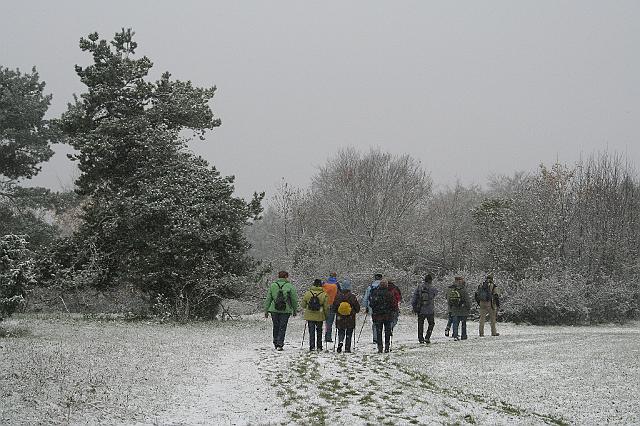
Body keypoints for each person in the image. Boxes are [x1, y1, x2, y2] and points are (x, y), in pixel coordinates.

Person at [264, 271, 298, 351]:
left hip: (274, 309)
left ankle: (275, 342)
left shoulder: (273, 285)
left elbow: (268, 299)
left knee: (276, 326)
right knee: (282, 327)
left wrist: (266, 310)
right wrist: (294, 310)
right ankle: (280, 343)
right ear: (286, 276)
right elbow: (294, 299)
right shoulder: (290, 286)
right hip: (286, 310)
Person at [332, 277, 361, 353]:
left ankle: (340, 342)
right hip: (350, 318)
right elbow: (357, 308)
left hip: (340, 318)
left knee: (341, 331)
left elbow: (334, 308)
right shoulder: (352, 296)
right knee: (349, 332)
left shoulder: (338, 296)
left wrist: (337, 312)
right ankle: (347, 348)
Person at [302, 278, 330, 351]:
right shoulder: (324, 294)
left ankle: (312, 346)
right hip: (319, 315)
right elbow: (326, 307)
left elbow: (303, 305)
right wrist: (326, 315)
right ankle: (319, 346)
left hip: (309, 315)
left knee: (311, 331)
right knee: (319, 331)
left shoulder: (308, 293)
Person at [370, 279, 395, 353]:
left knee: (379, 331)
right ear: (386, 285)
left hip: (378, 315)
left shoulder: (375, 293)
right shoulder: (389, 294)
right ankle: (387, 346)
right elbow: (393, 305)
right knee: (387, 331)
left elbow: (371, 304)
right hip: (387, 315)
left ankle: (380, 346)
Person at [411, 274, 438, 344]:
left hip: (421, 309)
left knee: (420, 324)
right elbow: (436, 293)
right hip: (430, 309)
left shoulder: (419, 287)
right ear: (430, 280)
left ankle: (420, 338)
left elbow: (414, 298)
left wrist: (414, 307)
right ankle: (427, 337)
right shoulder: (432, 288)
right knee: (431, 323)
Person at [447, 276, 471, 341]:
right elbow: (467, 301)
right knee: (463, 324)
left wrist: (451, 307)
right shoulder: (464, 290)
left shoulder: (453, 290)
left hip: (454, 309)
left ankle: (455, 335)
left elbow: (449, 299)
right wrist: (468, 307)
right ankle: (464, 335)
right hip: (463, 310)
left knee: (455, 323)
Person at [361, 273, 383, 344]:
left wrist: (365, 306)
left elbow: (366, 298)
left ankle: (375, 338)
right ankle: (380, 337)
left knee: (375, 322)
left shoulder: (370, 287)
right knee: (382, 322)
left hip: (372, 308)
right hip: (382, 308)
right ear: (381, 278)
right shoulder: (384, 286)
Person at [322, 272, 339, 343]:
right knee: (333, 322)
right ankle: (330, 337)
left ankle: (327, 336)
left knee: (328, 322)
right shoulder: (336, 285)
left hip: (326, 305)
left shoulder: (325, 284)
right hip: (334, 305)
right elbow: (339, 294)